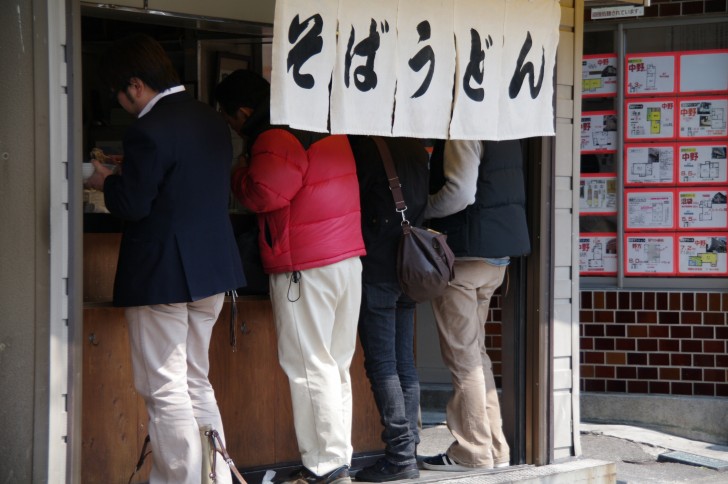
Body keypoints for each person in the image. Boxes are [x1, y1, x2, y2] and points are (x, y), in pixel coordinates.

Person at [84, 33, 245, 484]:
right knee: (196, 380)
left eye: (120, 94)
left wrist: (105, 182)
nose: (123, 103)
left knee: (165, 387)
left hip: (163, 276)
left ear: (135, 85)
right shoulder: (211, 121)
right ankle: (215, 477)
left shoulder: (148, 130)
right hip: (212, 270)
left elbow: (133, 203)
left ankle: (182, 480)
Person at [215, 70, 366, 484]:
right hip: (346, 259)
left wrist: (237, 173)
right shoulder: (321, 124)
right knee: (335, 366)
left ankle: (324, 469)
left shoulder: (276, 134)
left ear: (243, 111)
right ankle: (337, 461)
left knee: (308, 366)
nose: (232, 126)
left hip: (305, 266)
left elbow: (266, 191)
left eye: (230, 119)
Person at [421, 139, 531, 471]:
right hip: (498, 256)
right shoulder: (508, 132)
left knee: (463, 357)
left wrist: (420, 209)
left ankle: (472, 451)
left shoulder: (466, 129)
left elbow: (461, 192)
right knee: (475, 352)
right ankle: (495, 447)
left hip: (467, 253)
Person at [348, 136, 429, 482]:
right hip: (411, 264)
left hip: (379, 264)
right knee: (404, 362)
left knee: (383, 363)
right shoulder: (414, 145)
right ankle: (407, 451)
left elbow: (356, 204)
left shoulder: (363, 146)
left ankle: (399, 455)